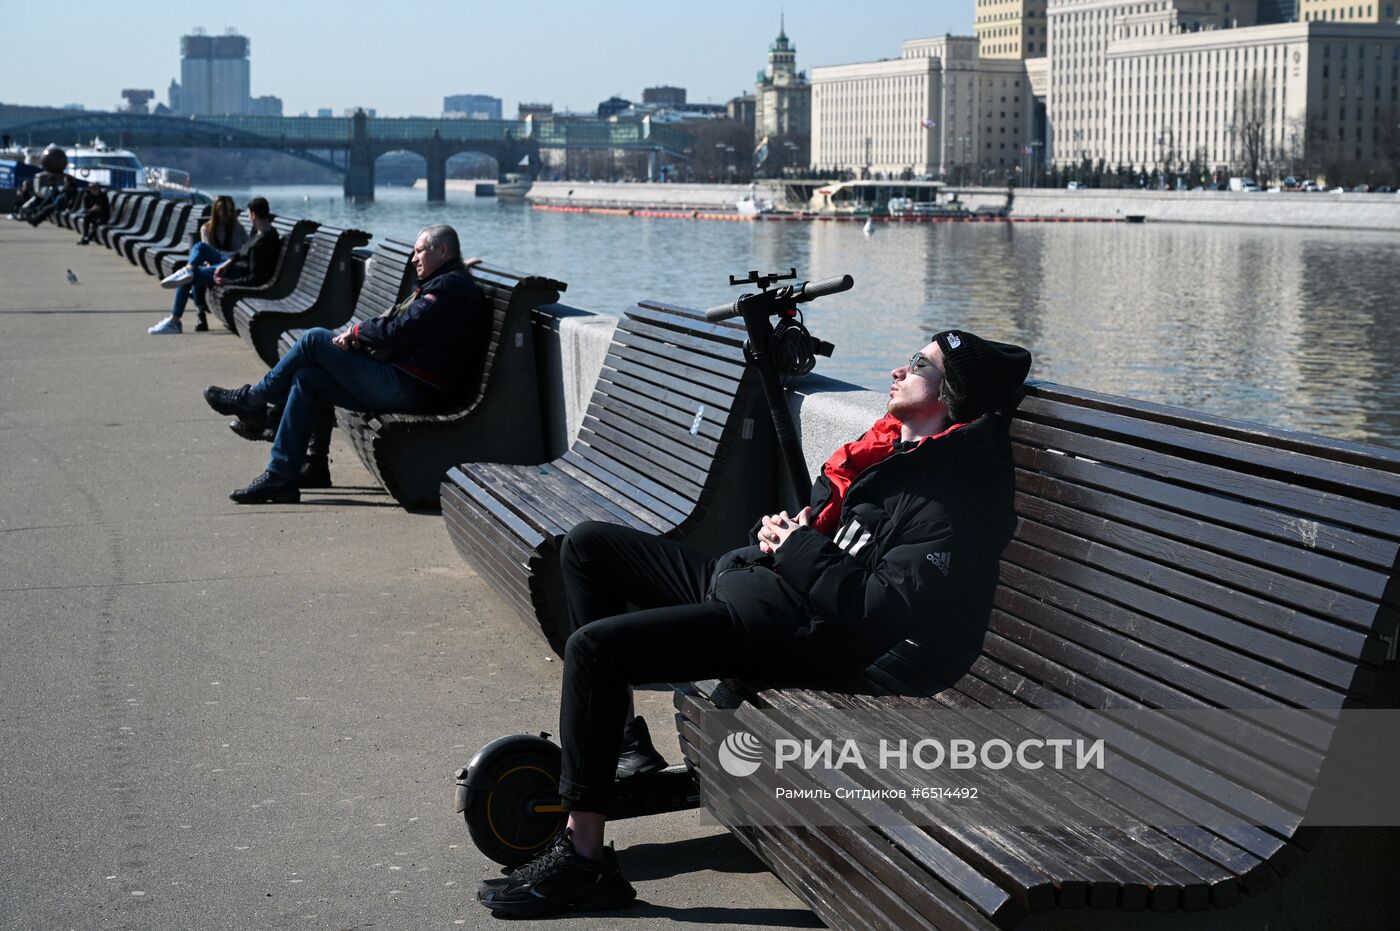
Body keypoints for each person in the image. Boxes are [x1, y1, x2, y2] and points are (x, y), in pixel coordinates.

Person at [475, 330, 1032, 919]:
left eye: (919, 364)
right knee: (587, 547)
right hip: (759, 589)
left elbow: (875, 613)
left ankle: (584, 858)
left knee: (596, 650)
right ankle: (622, 750)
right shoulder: (887, 453)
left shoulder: (945, 498)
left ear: (951, 394)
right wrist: (779, 537)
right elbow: (831, 545)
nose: (899, 369)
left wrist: (794, 549)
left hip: (788, 633)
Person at [202, 224, 486, 503]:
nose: (414, 258)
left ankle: (253, 399)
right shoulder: (447, 283)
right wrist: (361, 338)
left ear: (443, 250)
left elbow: (401, 329)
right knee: (308, 379)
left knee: (314, 339)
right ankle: (283, 475)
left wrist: (358, 332)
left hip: (414, 388)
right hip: (406, 380)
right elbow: (404, 327)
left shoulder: (449, 287)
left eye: (420, 251)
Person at [149, 196, 278, 335]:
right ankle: (189, 268)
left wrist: (229, 281)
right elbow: (242, 252)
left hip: (236, 273)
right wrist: (227, 263)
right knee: (200, 247)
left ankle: (174, 321)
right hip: (231, 265)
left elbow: (255, 278)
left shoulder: (263, 242)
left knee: (189, 278)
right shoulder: (261, 232)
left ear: (253, 215)